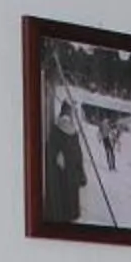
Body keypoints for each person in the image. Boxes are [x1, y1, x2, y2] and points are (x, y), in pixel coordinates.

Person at [44, 94, 84, 225]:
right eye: (72, 111)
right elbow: (78, 156)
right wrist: (81, 175)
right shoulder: (69, 132)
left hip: (63, 175)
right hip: (68, 175)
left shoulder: (56, 130)